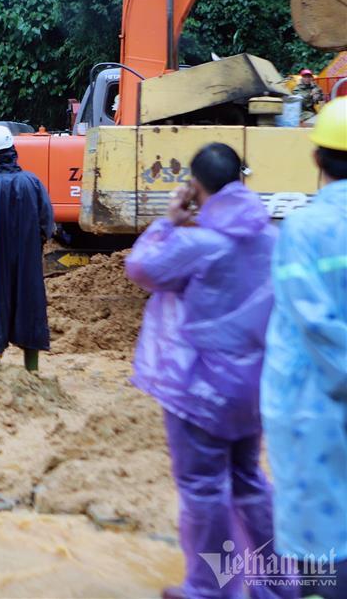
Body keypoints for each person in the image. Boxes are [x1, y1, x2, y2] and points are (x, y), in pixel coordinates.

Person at [126, 142, 292, 599]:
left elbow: (141, 268)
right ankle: (279, 584)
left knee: (204, 488)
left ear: (194, 186)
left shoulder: (198, 244)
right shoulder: (273, 238)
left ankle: (210, 587)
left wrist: (168, 221)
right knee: (249, 481)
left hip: (200, 387)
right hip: (252, 385)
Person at [262, 97, 347, 597]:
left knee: (320, 535)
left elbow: (314, 323)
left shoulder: (303, 228)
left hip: (314, 406)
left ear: (316, 158)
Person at [0, 125, 53, 370]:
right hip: (27, 263)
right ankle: (32, 373)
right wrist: (35, 247)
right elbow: (47, 222)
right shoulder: (33, 182)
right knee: (29, 309)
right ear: (13, 151)